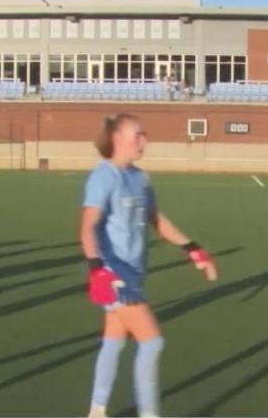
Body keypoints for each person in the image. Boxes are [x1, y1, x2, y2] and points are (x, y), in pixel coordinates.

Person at [80, 113, 217, 418]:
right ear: (117, 138)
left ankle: (97, 411)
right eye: (137, 134)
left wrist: (191, 247)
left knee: (113, 342)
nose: (144, 140)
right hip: (115, 276)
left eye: (144, 134)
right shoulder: (103, 177)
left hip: (135, 274)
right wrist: (97, 269)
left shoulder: (140, 178)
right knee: (152, 342)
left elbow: (155, 219)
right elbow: (87, 227)